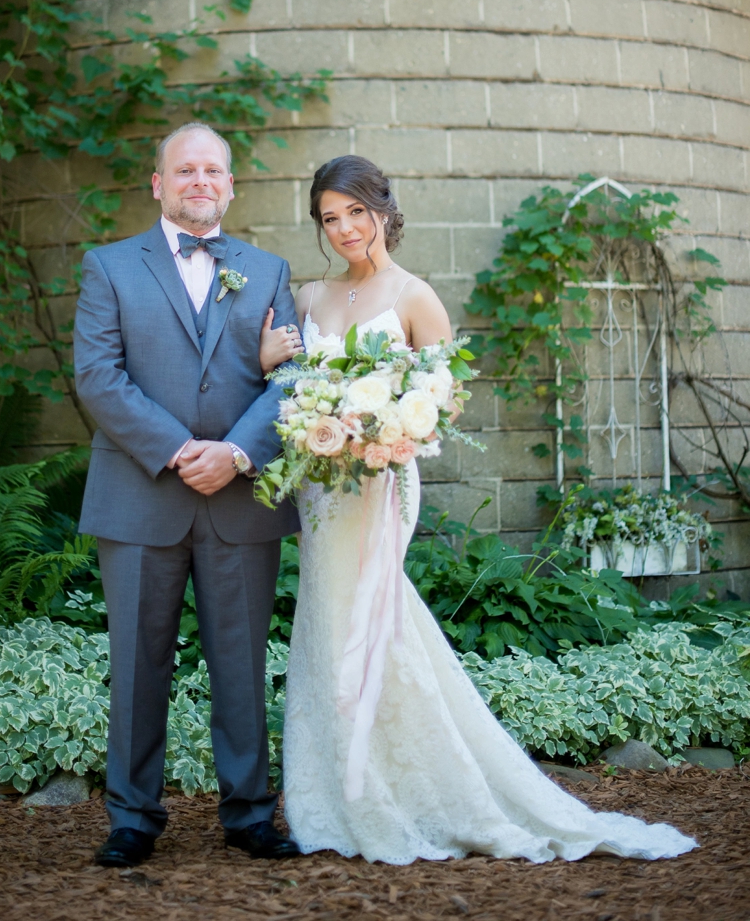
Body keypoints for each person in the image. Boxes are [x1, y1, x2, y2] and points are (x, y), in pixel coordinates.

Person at [258, 154, 698, 866]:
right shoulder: (308, 298)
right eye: (329, 218)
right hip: (321, 488)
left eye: (355, 214)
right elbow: (286, 386)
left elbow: (444, 399)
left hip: (378, 481)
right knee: (328, 622)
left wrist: (390, 427)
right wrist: (269, 361)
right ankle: (338, 794)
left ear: (383, 210)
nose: (343, 229)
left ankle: (408, 790)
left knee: (370, 617)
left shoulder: (414, 296)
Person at [74, 122, 303, 867]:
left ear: (231, 185)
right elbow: (98, 378)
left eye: (213, 170)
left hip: (240, 496)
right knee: (138, 662)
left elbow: (293, 380)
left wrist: (237, 452)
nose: (199, 180)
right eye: (185, 170)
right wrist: (179, 453)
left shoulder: (268, 272)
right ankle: (133, 818)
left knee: (241, 661)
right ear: (158, 185)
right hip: (142, 494)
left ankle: (249, 814)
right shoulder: (109, 268)